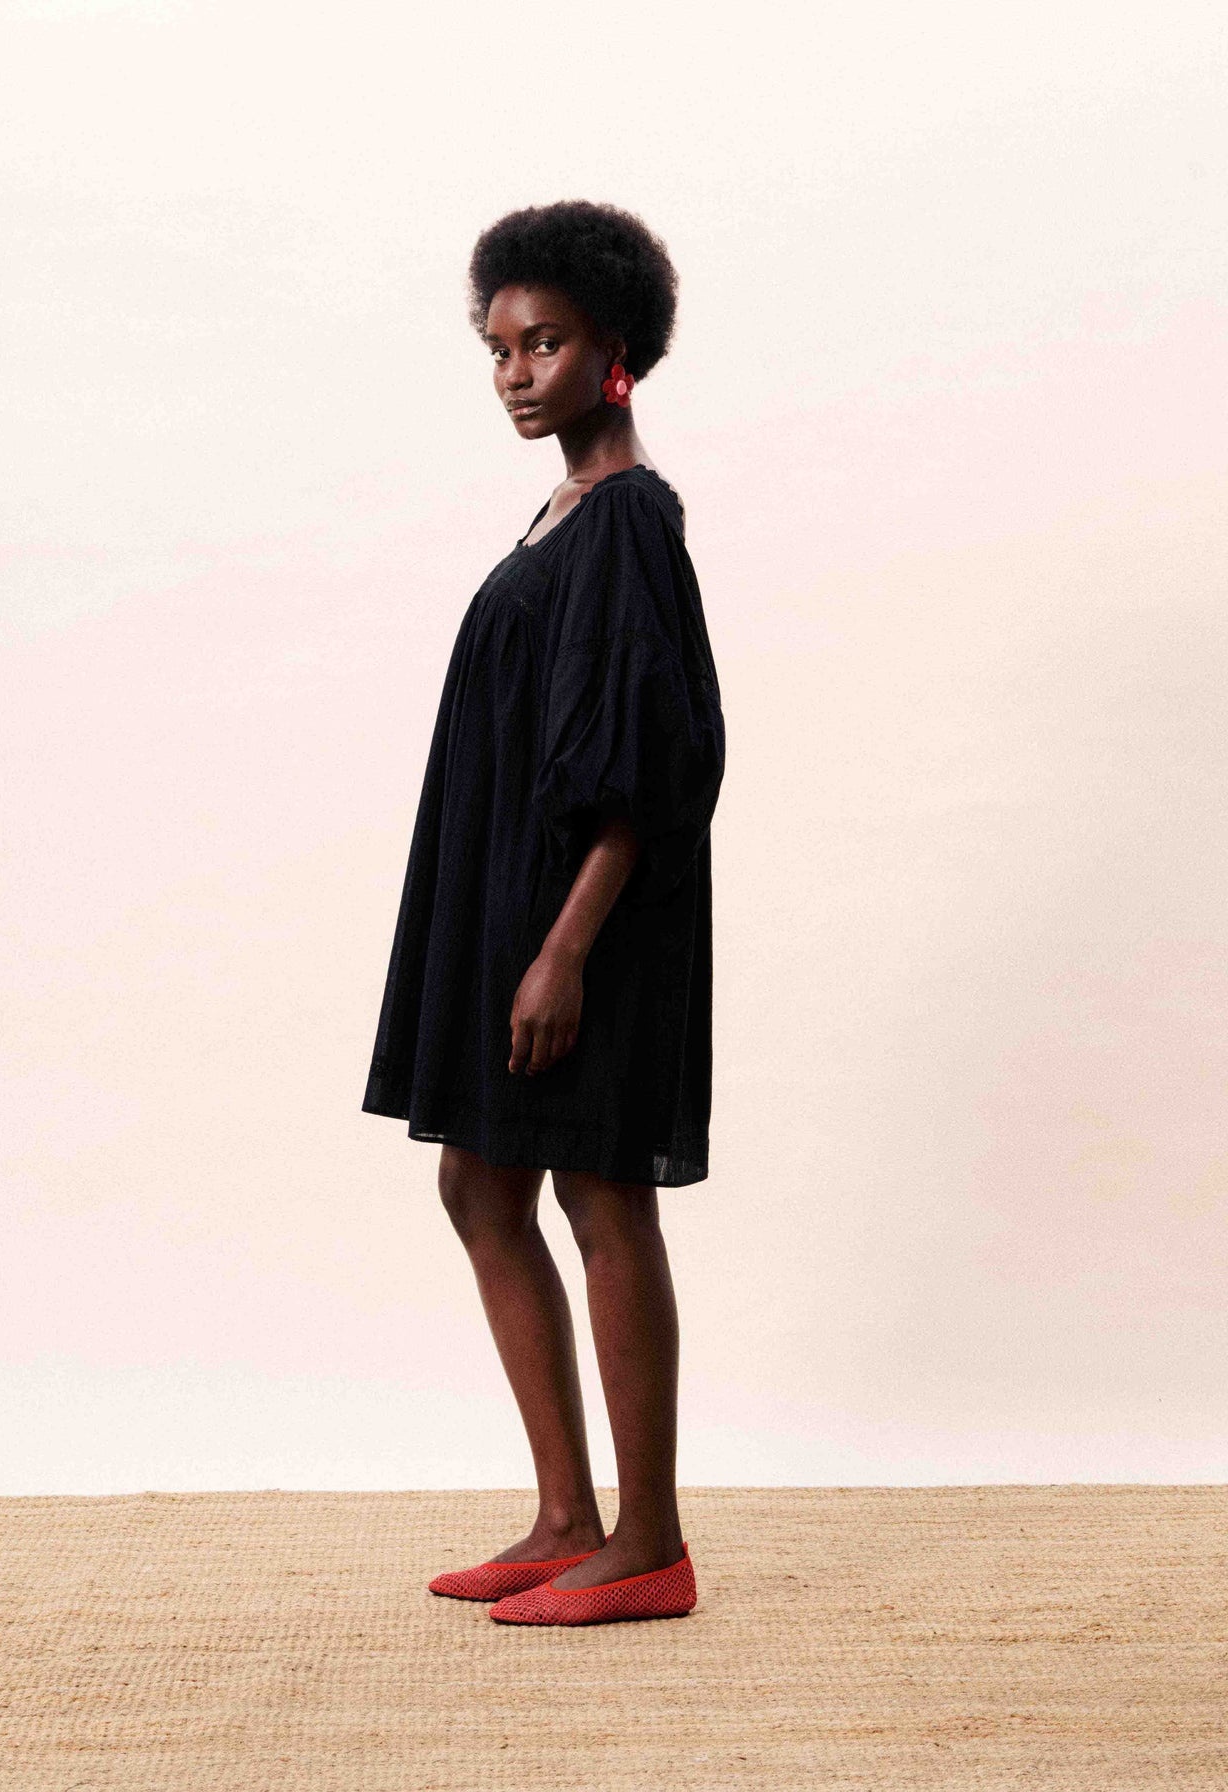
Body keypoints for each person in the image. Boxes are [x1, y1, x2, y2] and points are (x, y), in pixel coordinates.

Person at [360, 199, 726, 1626]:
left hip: (587, 922)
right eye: (499, 348)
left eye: (547, 342)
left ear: (614, 348)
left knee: (600, 1189)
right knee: (481, 1183)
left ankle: (652, 1543)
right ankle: (567, 1516)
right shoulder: (563, 510)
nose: (516, 373)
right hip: (517, 910)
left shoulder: (628, 516)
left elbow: (657, 764)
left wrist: (564, 950)